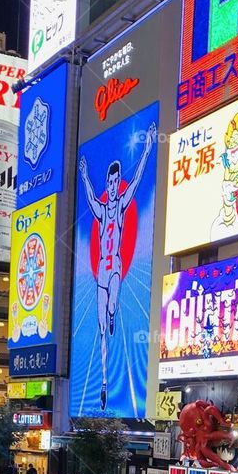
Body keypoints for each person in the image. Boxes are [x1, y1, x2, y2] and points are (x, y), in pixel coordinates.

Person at [78, 121, 157, 410]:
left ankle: (113, 312)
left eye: (115, 182)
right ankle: (102, 384)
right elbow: (88, 195)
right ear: (106, 184)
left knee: (112, 301)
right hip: (101, 267)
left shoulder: (122, 203)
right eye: (109, 183)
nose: (112, 187)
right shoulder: (100, 209)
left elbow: (136, 181)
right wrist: (85, 175)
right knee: (100, 327)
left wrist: (148, 148)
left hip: (115, 266)